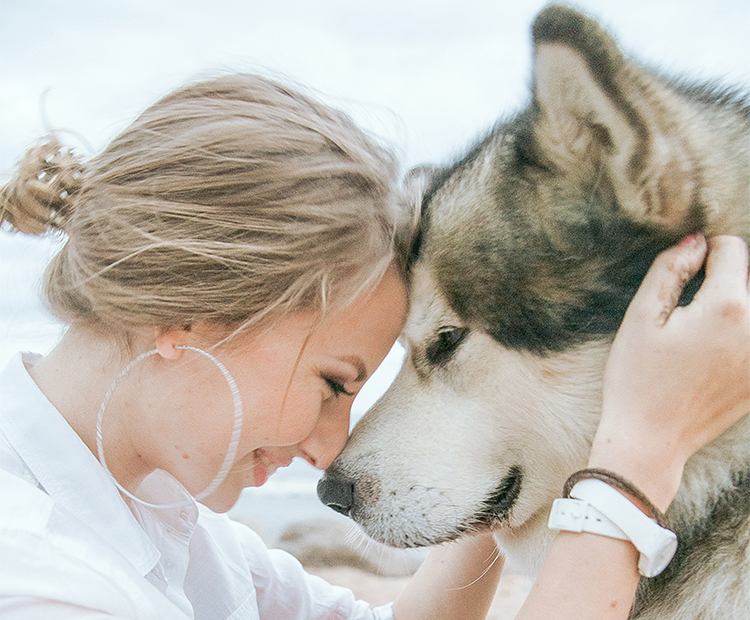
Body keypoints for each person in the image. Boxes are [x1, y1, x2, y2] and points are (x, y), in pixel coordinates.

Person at [0, 72, 747, 620]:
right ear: (191, 314)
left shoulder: (161, 520)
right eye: (335, 382)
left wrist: (494, 479)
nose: (333, 449)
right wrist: (636, 459)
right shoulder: (34, 577)